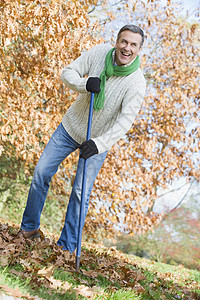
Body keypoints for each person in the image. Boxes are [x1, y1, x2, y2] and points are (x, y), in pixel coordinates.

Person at [19, 24, 146, 253]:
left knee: (80, 193)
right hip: (71, 127)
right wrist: (84, 84)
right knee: (41, 172)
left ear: (138, 49)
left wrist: (99, 143)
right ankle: (29, 228)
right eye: (124, 42)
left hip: (97, 143)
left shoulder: (137, 83)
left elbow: (124, 123)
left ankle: (66, 247)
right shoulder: (99, 54)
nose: (127, 48)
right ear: (117, 42)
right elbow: (67, 72)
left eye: (133, 45)